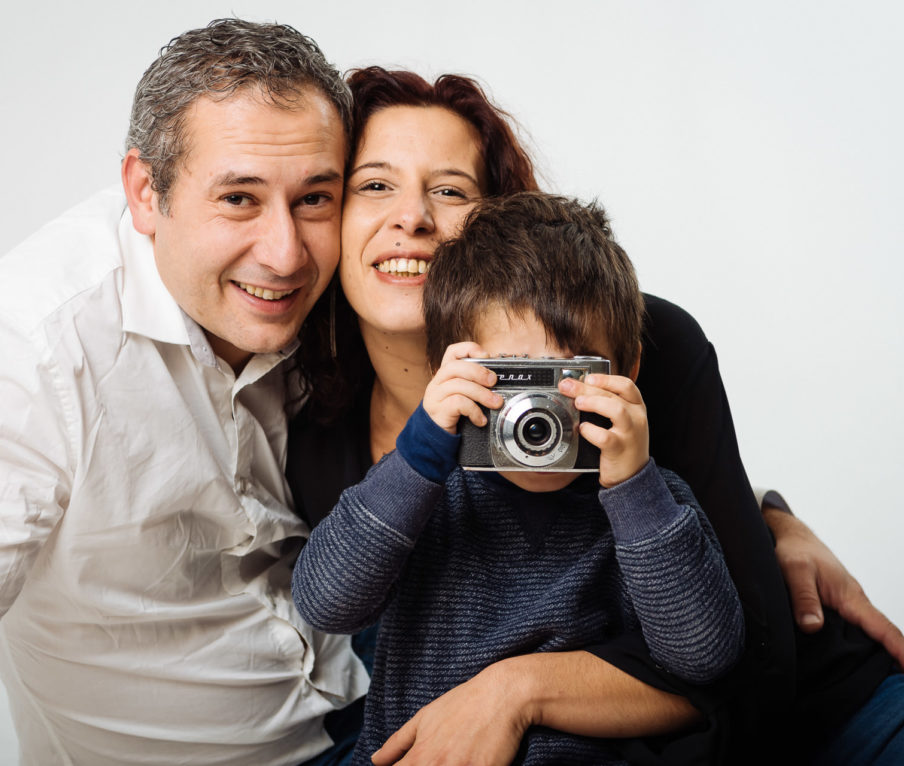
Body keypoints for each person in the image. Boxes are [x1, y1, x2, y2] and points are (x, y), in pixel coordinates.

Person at [286, 67, 902, 764]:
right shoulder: (340, 441)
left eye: (451, 189)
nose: (413, 217)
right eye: (375, 184)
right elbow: (329, 600)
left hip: (796, 709)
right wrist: (424, 451)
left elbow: (723, 653)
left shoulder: (644, 392)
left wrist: (656, 492)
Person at [0, 18, 368, 766]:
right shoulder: (26, 348)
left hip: (364, 708)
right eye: (240, 200)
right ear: (146, 192)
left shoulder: (332, 285)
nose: (286, 255)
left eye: (315, 198)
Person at [293, 191, 748, 764]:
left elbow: (706, 656)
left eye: (566, 377)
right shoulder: (423, 493)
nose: (538, 413)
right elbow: (324, 603)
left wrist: (634, 490)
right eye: (513, 377)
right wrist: (422, 449)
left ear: (626, 369)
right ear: (448, 369)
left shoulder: (649, 503)